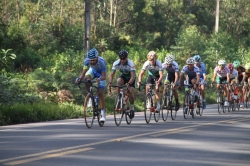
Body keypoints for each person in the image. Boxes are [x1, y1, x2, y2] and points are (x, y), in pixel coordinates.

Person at [76, 48, 107, 121]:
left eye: (93, 60)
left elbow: (104, 76)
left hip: (101, 75)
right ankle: (90, 96)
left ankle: (103, 113)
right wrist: (80, 79)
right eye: (91, 60)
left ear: (97, 58)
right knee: (87, 79)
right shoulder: (87, 61)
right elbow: (83, 73)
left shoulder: (101, 62)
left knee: (100, 93)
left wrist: (99, 79)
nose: (92, 62)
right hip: (92, 71)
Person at [109, 50, 136, 119]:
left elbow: (133, 76)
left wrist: (129, 83)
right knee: (119, 81)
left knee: (130, 91)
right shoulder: (116, 63)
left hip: (131, 78)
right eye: (121, 58)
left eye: (124, 58)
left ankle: (132, 107)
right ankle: (119, 98)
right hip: (123, 76)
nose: (122, 60)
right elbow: (112, 74)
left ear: (126, 58)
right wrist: (110, 82)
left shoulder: (131, 64)